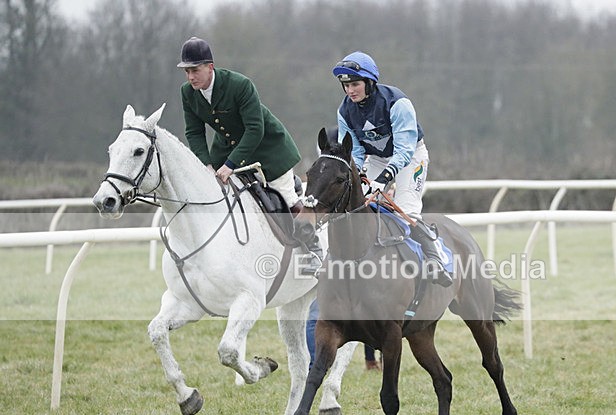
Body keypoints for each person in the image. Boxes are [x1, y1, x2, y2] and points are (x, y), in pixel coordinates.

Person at [177, 36, 321, 273]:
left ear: (210, 66)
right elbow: (193, 132)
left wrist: (231, 164)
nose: (190, 77)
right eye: (187, 71)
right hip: (226, 151)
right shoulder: (187, 93)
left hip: (268, 150)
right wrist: (207, 166)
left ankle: (313, 250)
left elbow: (255, 129)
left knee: (284, 197)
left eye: (195, 70)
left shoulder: (240, 85)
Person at [332, 51, 452, 287]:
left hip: (410, 157)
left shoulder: (397, 102)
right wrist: (361, 176)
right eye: (345, 85)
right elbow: (354, 152)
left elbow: (405, 150)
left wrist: (386, 177)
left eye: (355, 84)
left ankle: (435, 258)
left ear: (369, 82)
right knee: (359, 208)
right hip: (376, 159)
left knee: (406, 210)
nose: (350, 91)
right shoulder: (344, 111)